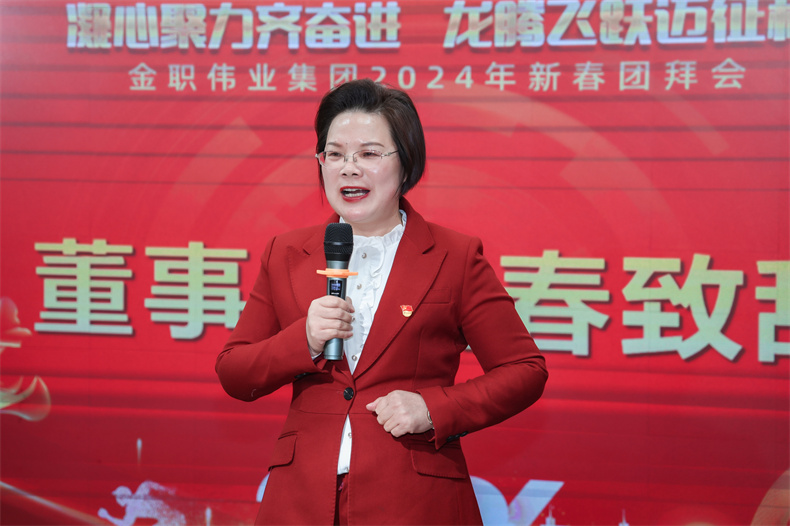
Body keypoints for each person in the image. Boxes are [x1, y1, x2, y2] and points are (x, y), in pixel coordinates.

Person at [215, 79, 547, 526]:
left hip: (415, 501)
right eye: (335, 154)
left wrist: (433, 408)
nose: (349, 169)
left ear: (405, 163)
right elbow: (235, 371)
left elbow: (524, 369)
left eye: (369, 154)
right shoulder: (287, 253)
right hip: (301, 501)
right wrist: (304, 339)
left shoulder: (454, 256)